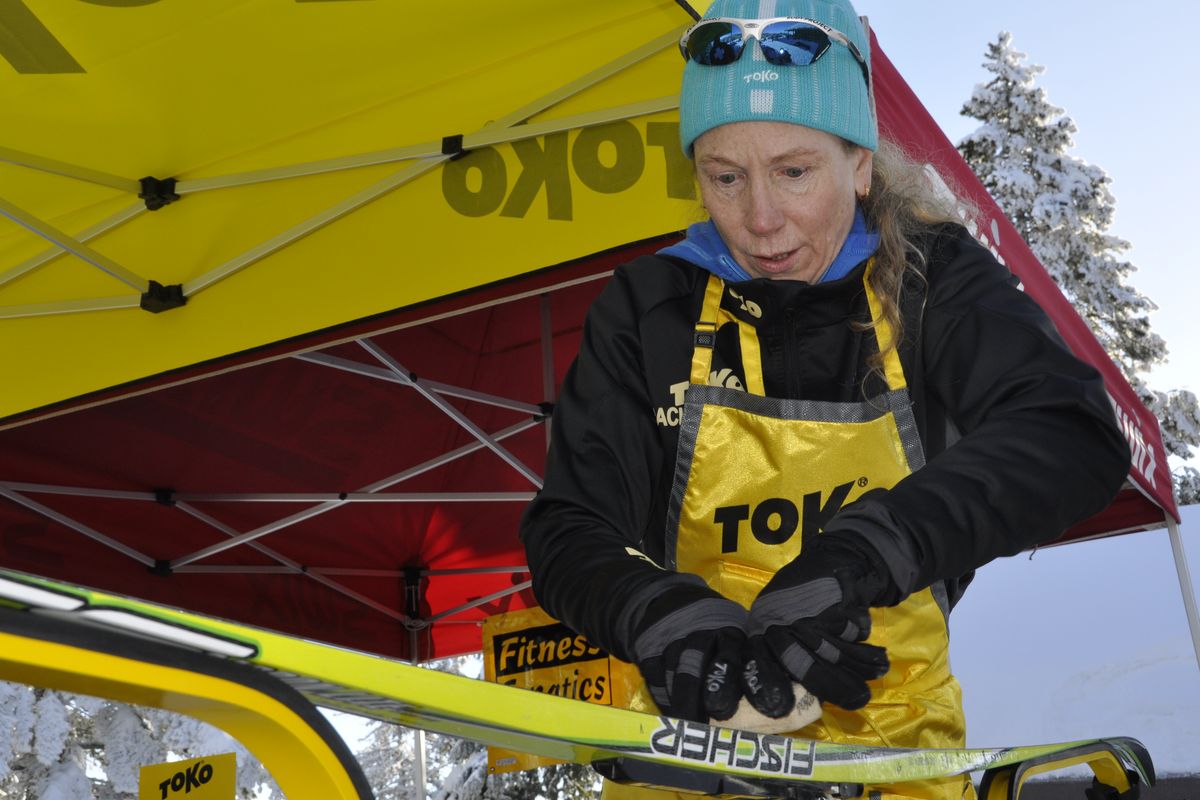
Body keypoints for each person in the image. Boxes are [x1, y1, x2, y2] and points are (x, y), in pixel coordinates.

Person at [519, 1, 1130, 798]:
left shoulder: (931, 280)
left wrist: (865, 554)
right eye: (725, 178)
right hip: (689, 752)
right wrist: (660, 611)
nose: (760, 219)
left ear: (861, 165)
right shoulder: (649, 306)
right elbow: (569, 525)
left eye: (794, 172)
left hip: (891, 757)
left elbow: (1070, 432)